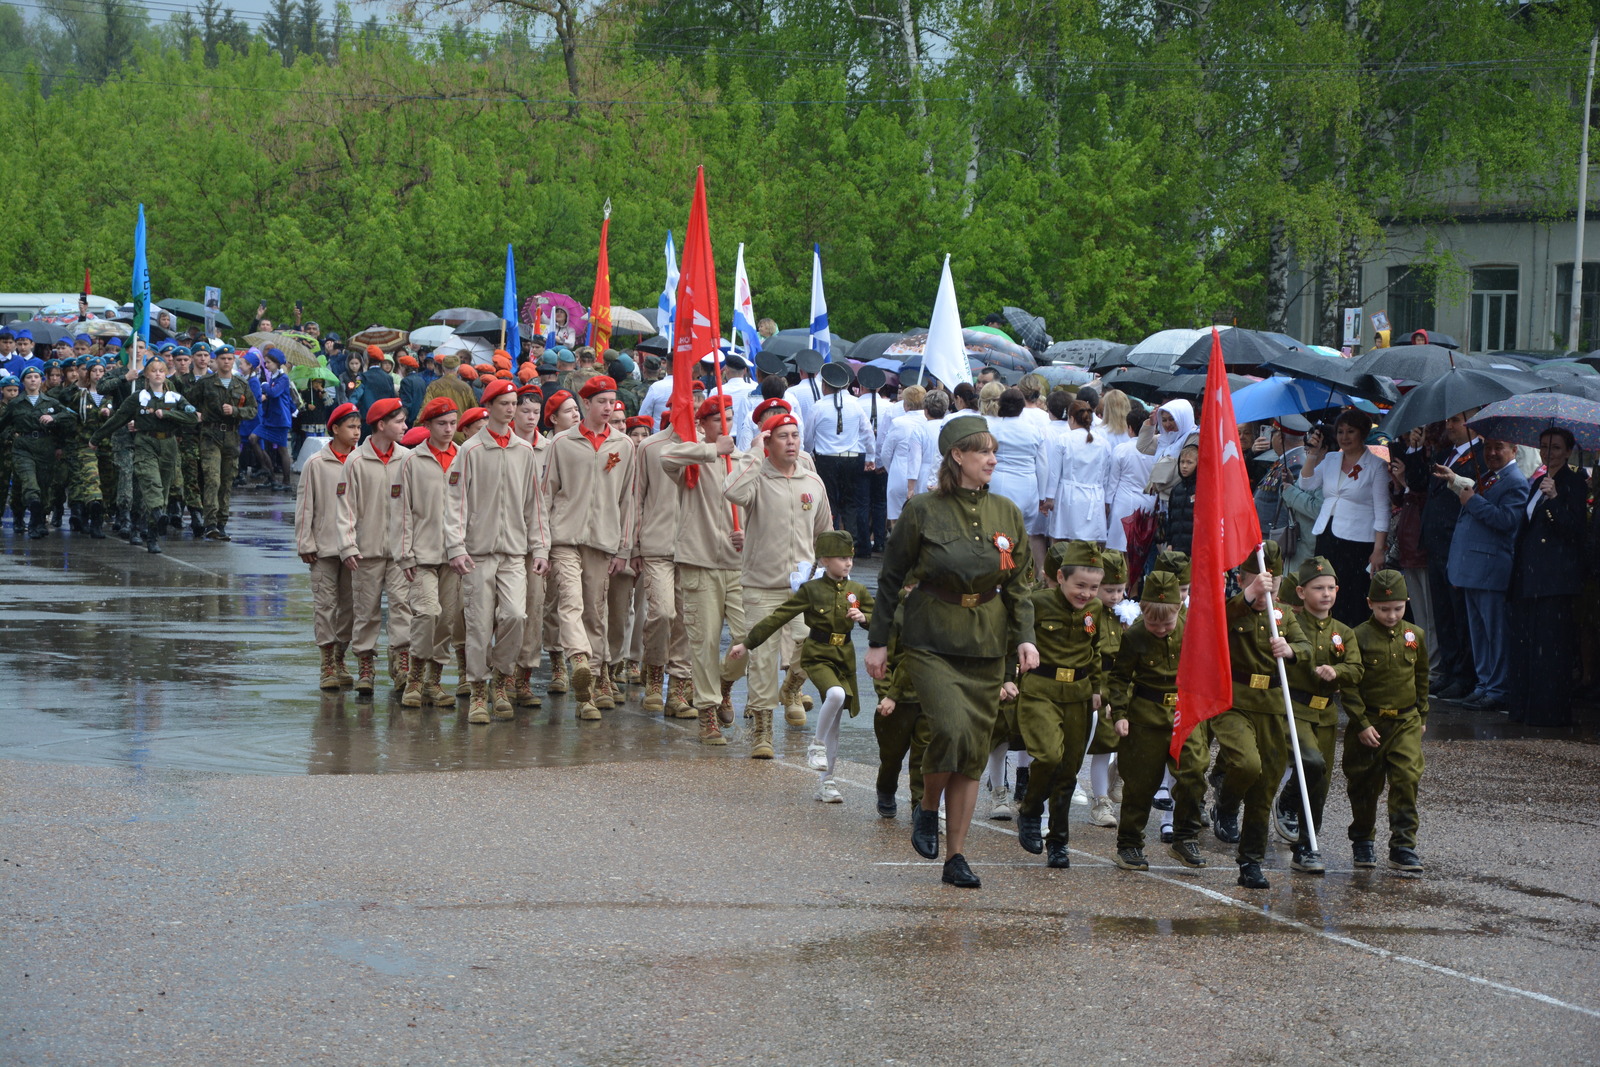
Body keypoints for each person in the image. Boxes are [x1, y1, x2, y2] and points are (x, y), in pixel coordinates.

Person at [866, 415, 1037, 889]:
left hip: (986, 642)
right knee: (950, 727)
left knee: (973, 751)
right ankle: (926, 807)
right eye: (982, 451)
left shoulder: (1007, 512)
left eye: (994, 451)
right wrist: (878, 642)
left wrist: (1025, 637)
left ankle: (956, 856)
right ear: (957, 456)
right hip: (930, 638)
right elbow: (890, 578)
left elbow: (1020, 585)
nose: (992, 459)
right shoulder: (922, 509)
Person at [732, 529, 874, 799]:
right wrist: (747, 643)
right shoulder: (811, 590)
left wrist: (864, 618)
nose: (848, 563)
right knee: (836, 694)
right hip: (818, 653)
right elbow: (778, 617)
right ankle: (816, 745)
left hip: (844, 656)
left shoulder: (857, 590)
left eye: (850, 558)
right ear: (823, 561)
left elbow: (879, 621)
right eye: (841, 558)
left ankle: (827, 783)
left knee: (835, 722)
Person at [724, 412, 834, 755]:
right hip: (760, 586)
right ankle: (762, 730)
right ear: (768, 442)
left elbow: (825, 533)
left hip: (801, 589)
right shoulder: (757, 478)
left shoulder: (812, 483)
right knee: (762, 657)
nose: (791, 442)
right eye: (783, 436)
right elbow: (732, 490)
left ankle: (790, 689)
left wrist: (833, 573)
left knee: (811, 645)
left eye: (795, 436)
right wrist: (754, 454)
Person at [446, 379, 549, 723]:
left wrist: (541, 548)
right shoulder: (470, 450)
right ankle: (478, 689)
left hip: (514, 552)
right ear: (488, 407)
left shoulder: (524, 451)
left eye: (514, 403)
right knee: (477, 623)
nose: (510, 409)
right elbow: (455, 503)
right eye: (504, 403)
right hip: (477, 553)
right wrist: (456, 546)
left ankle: (502, 681)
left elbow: (535, 505)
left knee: (515, 616)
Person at [1210, 540, 1309, 890]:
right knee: (1246, 765)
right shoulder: (1232, 608)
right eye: (1259, 580)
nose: (1269, 588)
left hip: (1272, 706)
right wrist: (1250, 596)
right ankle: (1225, 801)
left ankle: (1251, 861)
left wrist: (1293, 649)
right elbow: (1218, 625)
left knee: (1265, 787)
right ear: (1242, 579)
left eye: (1274, 582)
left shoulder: (1285, 615)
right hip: (1234, 701)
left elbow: (1307, 647)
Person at [543, 375, 635, 719]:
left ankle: (593, 684)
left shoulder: (623, 445)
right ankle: (578, 660)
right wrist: (543, 544)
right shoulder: (561, 443)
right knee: (570, 601)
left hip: (603, 540)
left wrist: (624, 548)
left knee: (596, 612)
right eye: (601, 401)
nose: (608, 407)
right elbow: (547, 492)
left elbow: (628, 500)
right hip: (564, 537)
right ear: (586, 405)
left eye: (612, 401)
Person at [661, 394, 748, 745]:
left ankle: (726, 683)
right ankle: (708, 711)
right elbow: (666, 457)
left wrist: (749, 534)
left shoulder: (745, 461)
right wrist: (711, 449)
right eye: (717, 420)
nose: (725, 425)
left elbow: (760, 507)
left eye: (729, 418)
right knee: (704, 642)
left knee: (751, 638)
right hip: (699, 562)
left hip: (739, 566)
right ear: (703, 425)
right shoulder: (693, 458)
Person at [1013, 541, 1105, 869]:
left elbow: (1096, 652)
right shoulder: (1036, 603)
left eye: (1094, 587)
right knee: (1049, 755)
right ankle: (1031, 808)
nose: (1086, 593)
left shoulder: (1096, 611)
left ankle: (1058, 841)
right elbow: (1013, 639)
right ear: (1060, 577)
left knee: (1068, 771)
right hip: (1041, 689)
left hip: (1079, 695)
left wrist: (1097, 688)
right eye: (1079, 585)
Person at [1276, 557, 1363, 875]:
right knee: (1310, 762)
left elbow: (1356, 670)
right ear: (1300, 591)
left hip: (1325, 713)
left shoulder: (1343, 632)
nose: (1325, 594)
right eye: (1317, 588)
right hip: (1293, 709)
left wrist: (1336, 670)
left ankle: (1306, 848)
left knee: (1321, 781)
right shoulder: (1288, 623)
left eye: (1330, 588)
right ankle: (1287, 800)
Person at [1343, 570, 1430, 872]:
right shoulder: (1357, 636)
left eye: (1398, 608)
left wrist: (1422, 714)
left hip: (1406, 719)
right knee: (1365, 785)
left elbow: (1421, 677)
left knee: (1407, 778)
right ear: (1370, 604)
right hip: (1370, 723)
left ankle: (1403, 846)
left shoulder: (1415, 636)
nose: (1392, 615)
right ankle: (1363, 841)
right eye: (1384, 609)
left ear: (1406, 603)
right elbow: (1350, 686)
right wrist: (1361, 722)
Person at [1107, 570, 1189, 871]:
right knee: (1141, 784)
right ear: (1143, 611)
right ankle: (1129, 844)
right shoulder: (1135, 636)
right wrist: (1120, 714)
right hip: (1146, 716)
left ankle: (1185, 836)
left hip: (1184, 715)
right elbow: (1118, 679)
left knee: (1193, 774)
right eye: (1153, 622)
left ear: (1179, 608)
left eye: (1167, 623)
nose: (1160, 629)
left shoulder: (1192, 627)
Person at [1440, 436, 1528, 711]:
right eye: (1488, 447)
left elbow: (1506, 521)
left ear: (1514, 450)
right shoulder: (1487, 477)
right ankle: (1484, 684)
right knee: (1479, 634)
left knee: (1495, 634)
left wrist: (1472, 501)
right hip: (1472, 568)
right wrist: (1457, 482)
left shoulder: (1515, 481)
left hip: (1491, 570)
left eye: (1498, 447)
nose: (1491, 452)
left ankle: (1498, 688)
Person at [1508, 428, 1585, 726]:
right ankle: (1525, 709)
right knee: (1526, 645)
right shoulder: (1538, 481)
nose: (1548, 452)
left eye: (1555, 447)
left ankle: (1548, 713)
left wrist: (1554, 500)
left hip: (1554, 579)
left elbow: (1575, 529)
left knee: (1550, 649)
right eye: (1543, 447)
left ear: (1567, 451)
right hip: (1529, 576)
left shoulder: (1574, 482)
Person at [337, 398, 413, 694]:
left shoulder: (407, 458)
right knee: (365, 610)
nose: (405, 427)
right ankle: (366, 666)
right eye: (399, 421)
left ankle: (401, 662)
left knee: (402, 607)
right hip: (365, 551)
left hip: (399, 553)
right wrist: (348, 545)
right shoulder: (356, 461)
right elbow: (345, 507)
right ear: (381, 425)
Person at [397, 397, 464, 709]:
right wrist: (405, 552)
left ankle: (434, 682)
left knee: (448, 620)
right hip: (421, 554)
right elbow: (402, 511)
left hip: (456, 555)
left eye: (452, 423)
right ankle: (414, 677)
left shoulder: (464, 458)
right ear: (427, 426)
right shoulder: (412, 461)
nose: (448, 429)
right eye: (441, 423)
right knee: (427, 613)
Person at [1297, 410, 1390, 625]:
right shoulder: (1331, 458)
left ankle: (1350, 641)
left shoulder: (1376, 465)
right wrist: (1312, 454)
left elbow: (1382, 510)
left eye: (1351, 431)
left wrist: (1378, 549)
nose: (1345, 437)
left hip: (1358, 541)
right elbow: (1306, 484)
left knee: (1351, 595)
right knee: (1325, 590)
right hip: (1327, 534)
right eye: (1340, 432)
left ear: (1363, 433)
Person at [1419, 410, 1485, 698]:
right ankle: (1448, 667)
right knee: (1443, 611)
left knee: (1460, 613)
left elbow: (1472, 491)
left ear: (1471, 423)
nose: (1449, 425)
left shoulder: (1481, 455)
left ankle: (1464, 673)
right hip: (1436, 542)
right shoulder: (1446, 453)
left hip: (1455, 542)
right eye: (1448, 420)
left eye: (1456, 420)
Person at [295, 403, 361, 687]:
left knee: (351, 607)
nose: (357, 433)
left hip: (356, 549)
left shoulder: (360, 461)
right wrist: (305, 541)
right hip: (323, 547)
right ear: (334, 429)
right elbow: (305, 505)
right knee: (325, 604)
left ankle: (340, 655)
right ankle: (326, 664)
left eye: (359, 427)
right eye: (351, 427)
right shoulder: (316, 463)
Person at [805, 361, 874, 555]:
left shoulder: (818, 407)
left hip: (826, 458)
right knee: (850, 503)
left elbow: (808, 436)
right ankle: (849, 543)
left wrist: (809, 453)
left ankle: (831, 543)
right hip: (852, 458)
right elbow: (867, 433)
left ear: (825, 385)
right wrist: (870, 455)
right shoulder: (855, 404)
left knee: (829, 503)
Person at [0, 365, 76, 538]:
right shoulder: (16, 404)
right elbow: (2, 425)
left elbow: (71, 418)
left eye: (36, 377)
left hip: (45, 447)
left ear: (41, 380)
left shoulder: (51, 402)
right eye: (29, 377)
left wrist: (54, 418)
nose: (33, 380)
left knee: (43, 486)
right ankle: (32, 519)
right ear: (23, 382)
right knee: (29, 483)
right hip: (23, 447)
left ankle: (39, 519)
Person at [189, 347, 256, 541]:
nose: (226, 362)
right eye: (222, 358)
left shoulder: (241, 384)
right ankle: (210, 523)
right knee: (212, 479)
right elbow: (188, 401)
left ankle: (221, 522)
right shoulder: (206, 383)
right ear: (216, 361)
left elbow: (252, 410)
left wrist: (235, 411)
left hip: (232, 436)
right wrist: (195, 413)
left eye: (229, 358)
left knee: (227, 481)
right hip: (210, 435)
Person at [985, 387, 1049, 565]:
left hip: (1000, 483)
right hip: (1028, 485)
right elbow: (1043, 465)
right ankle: (1021, 574)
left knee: (999, 534)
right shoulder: (1034, 431)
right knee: (1024, 536)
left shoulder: (993, 429)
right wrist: (1042, 496)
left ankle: (1001, 573)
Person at [1047, 395, 1112, 546]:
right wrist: (1106, 501)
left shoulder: (1064, 439)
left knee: (1061, 542)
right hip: (1093, 497)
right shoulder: (1103, 443)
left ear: (1071, 418)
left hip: (1068, 496)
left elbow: (1054, 473)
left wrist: (1049, 498)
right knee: (1088, 546)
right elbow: (1106, 476)